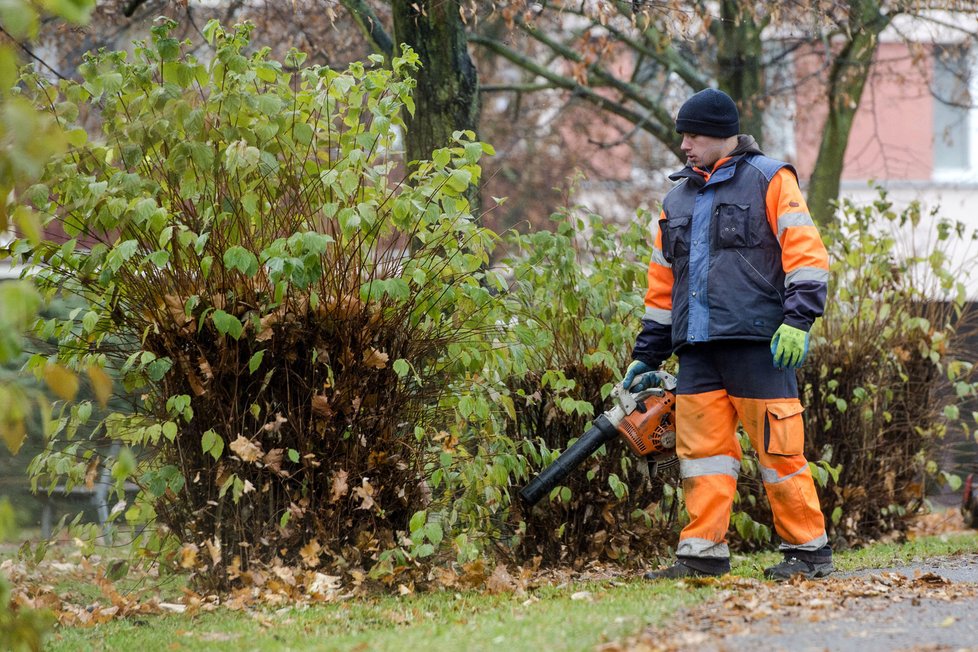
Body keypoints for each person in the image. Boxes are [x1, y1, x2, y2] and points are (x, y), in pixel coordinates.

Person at [622, 88, 833, 581]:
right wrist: (646, 355)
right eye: (682, 136)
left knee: (779, 452)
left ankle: (809, 552)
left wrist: (798, 321)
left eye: (692, 135)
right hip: (697, 350)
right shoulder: (675, 199)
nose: (684, 146)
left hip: (761, 344)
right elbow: (662, 286)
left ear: (721, 134)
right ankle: (701, 554)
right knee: (702, 458)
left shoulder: (770, 179)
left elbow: (807, 256)